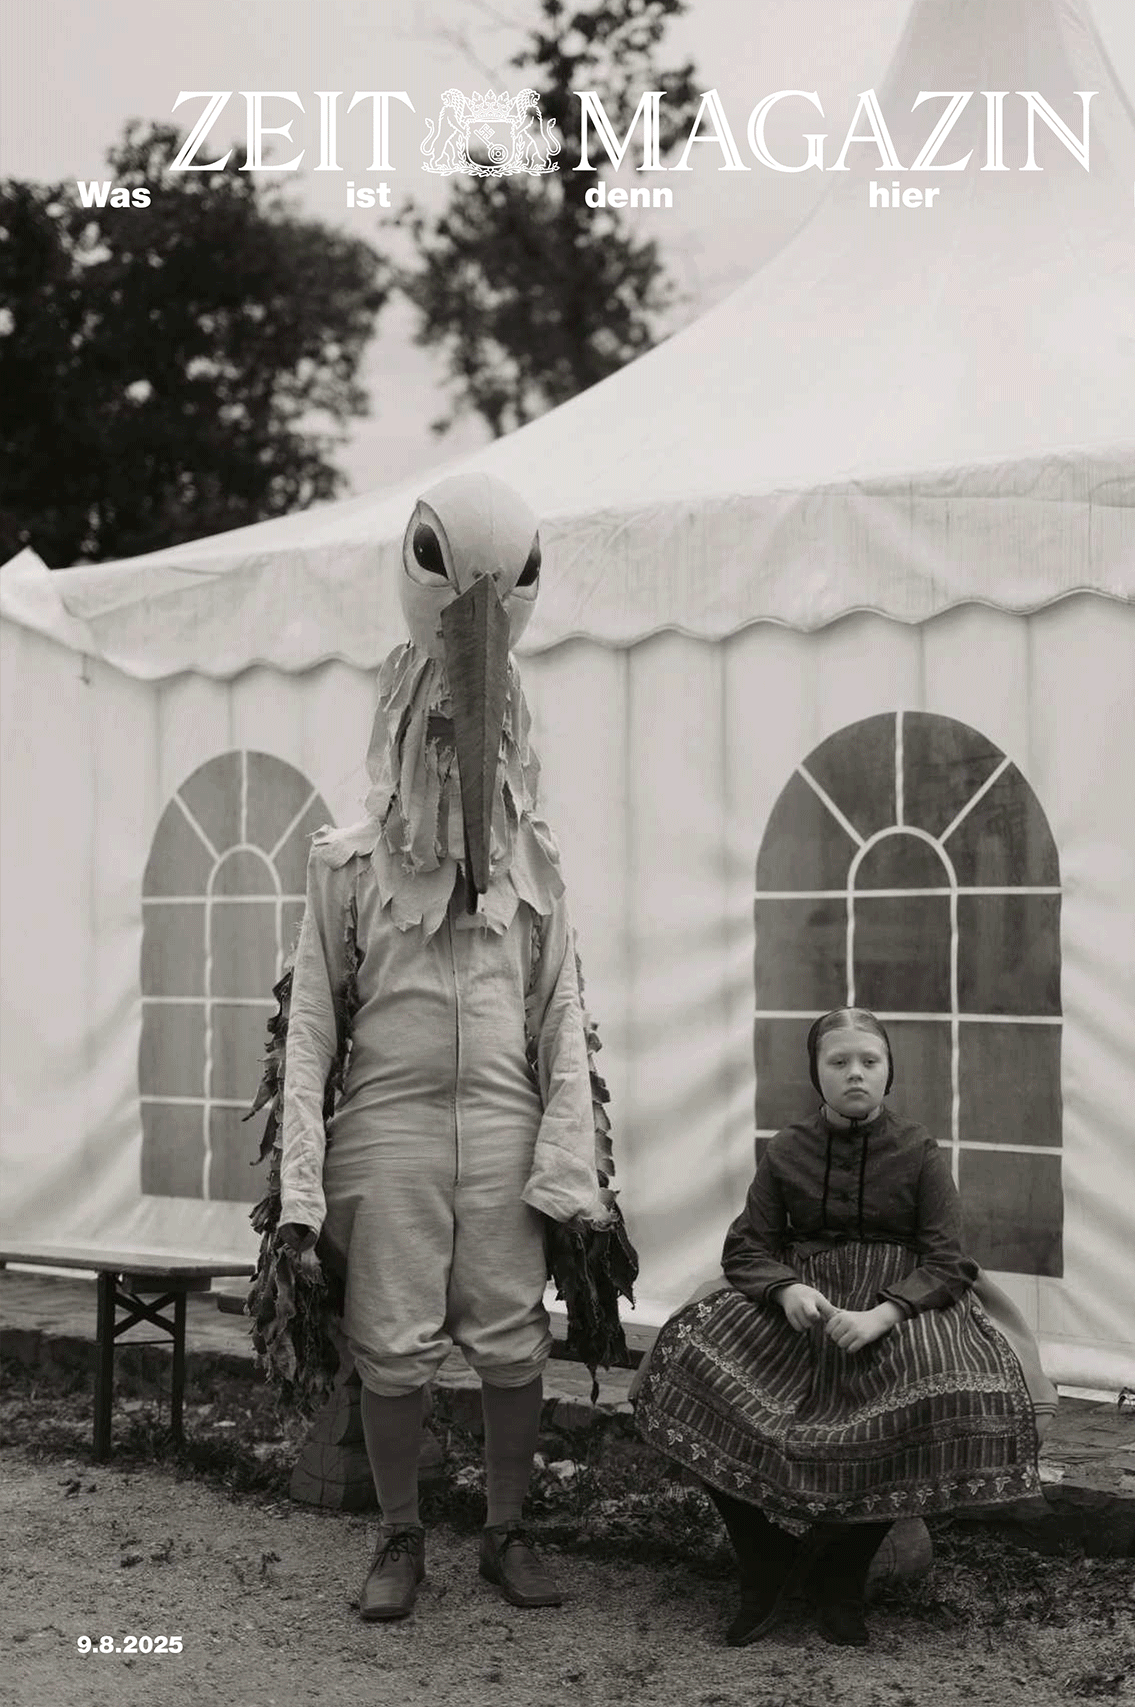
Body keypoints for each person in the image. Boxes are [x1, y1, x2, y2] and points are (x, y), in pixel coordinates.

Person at [262, 472, 633, 1623]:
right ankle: (400, 1535)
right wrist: (301, 1191)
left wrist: (569, 1163)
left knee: (513, 1339)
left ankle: (507, 1531)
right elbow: (311, 1025)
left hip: (505, 1126)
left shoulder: (537, 872)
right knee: (392, 1342)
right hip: (389, 1126)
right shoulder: (343, 867)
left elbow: (562, 1014)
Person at [631, 1007, 1045, 1648]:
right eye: (839, 1061)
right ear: (816, 1073)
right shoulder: (787, 1149)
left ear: (888, 1073)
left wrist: (887, 1313)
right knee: (690, 1357)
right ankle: (763, 1556)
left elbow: (948, 1259)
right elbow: (746, 1246)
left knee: (940, 1381)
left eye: (869, 1061)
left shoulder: (918, 1151)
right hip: (806, 1300)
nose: (856, 1073)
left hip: (896, 1299)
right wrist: (785, 1287)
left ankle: (842, 1569)